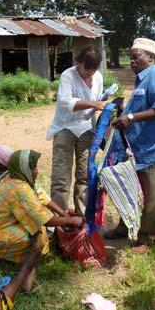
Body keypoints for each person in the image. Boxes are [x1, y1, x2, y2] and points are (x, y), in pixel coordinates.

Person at [0, 149, 83, 290]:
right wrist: (72, 221)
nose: (37, 171)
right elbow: (44, 220)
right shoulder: (19, 188)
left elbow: (40, 195)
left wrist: (63, 214)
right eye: (33, 167)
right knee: (36, 236)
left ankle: (31, 262)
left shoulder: (13, 176)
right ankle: (28, 271)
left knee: (36, 230)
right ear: (24, 169)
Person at [105, 38, 155, 254]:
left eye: (136, 56)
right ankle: (125, 226)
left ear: (151, 57)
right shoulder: (142, 80)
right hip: (140, 149)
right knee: (132, 189)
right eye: (130, 56)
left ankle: (147, 237)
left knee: (154, 195)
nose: (131, 61)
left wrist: (130, 117)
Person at [46, 46, 107, 215]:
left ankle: (82, 216)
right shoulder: (68, 75)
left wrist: (102, 103)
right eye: (85, 69)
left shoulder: (98, 77)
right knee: (61, 176)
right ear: (78, 62)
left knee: (85, 174)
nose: (88, 74)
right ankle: (59, 218)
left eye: (92, 71)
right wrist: (93, 104)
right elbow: (66, 103)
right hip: (65, 128)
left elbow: (98, 100)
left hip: (87, 129)